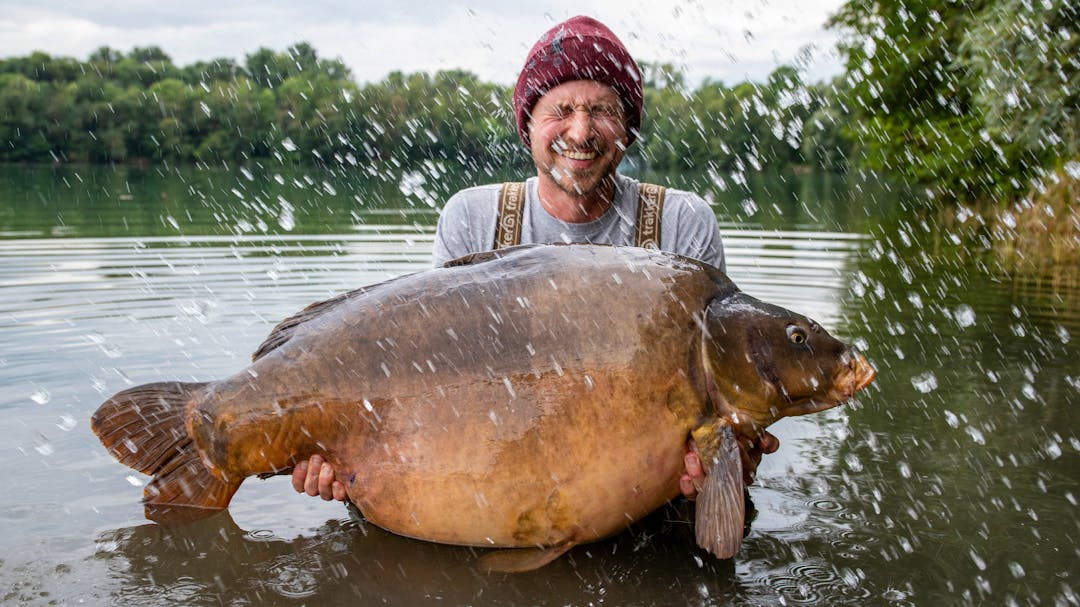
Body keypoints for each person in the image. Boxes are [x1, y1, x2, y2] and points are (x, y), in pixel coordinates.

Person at [292, 15, 778, 506]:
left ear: (628, 127)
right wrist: (350, 456)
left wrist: (727, 456)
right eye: (560, 110)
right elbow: (431, 378)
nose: (582, 131)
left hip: (637, 499)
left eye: (604, 111)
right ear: (528, 125)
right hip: (500, 481)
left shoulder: (681, 225)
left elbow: (719, 397)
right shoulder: (473, 218)